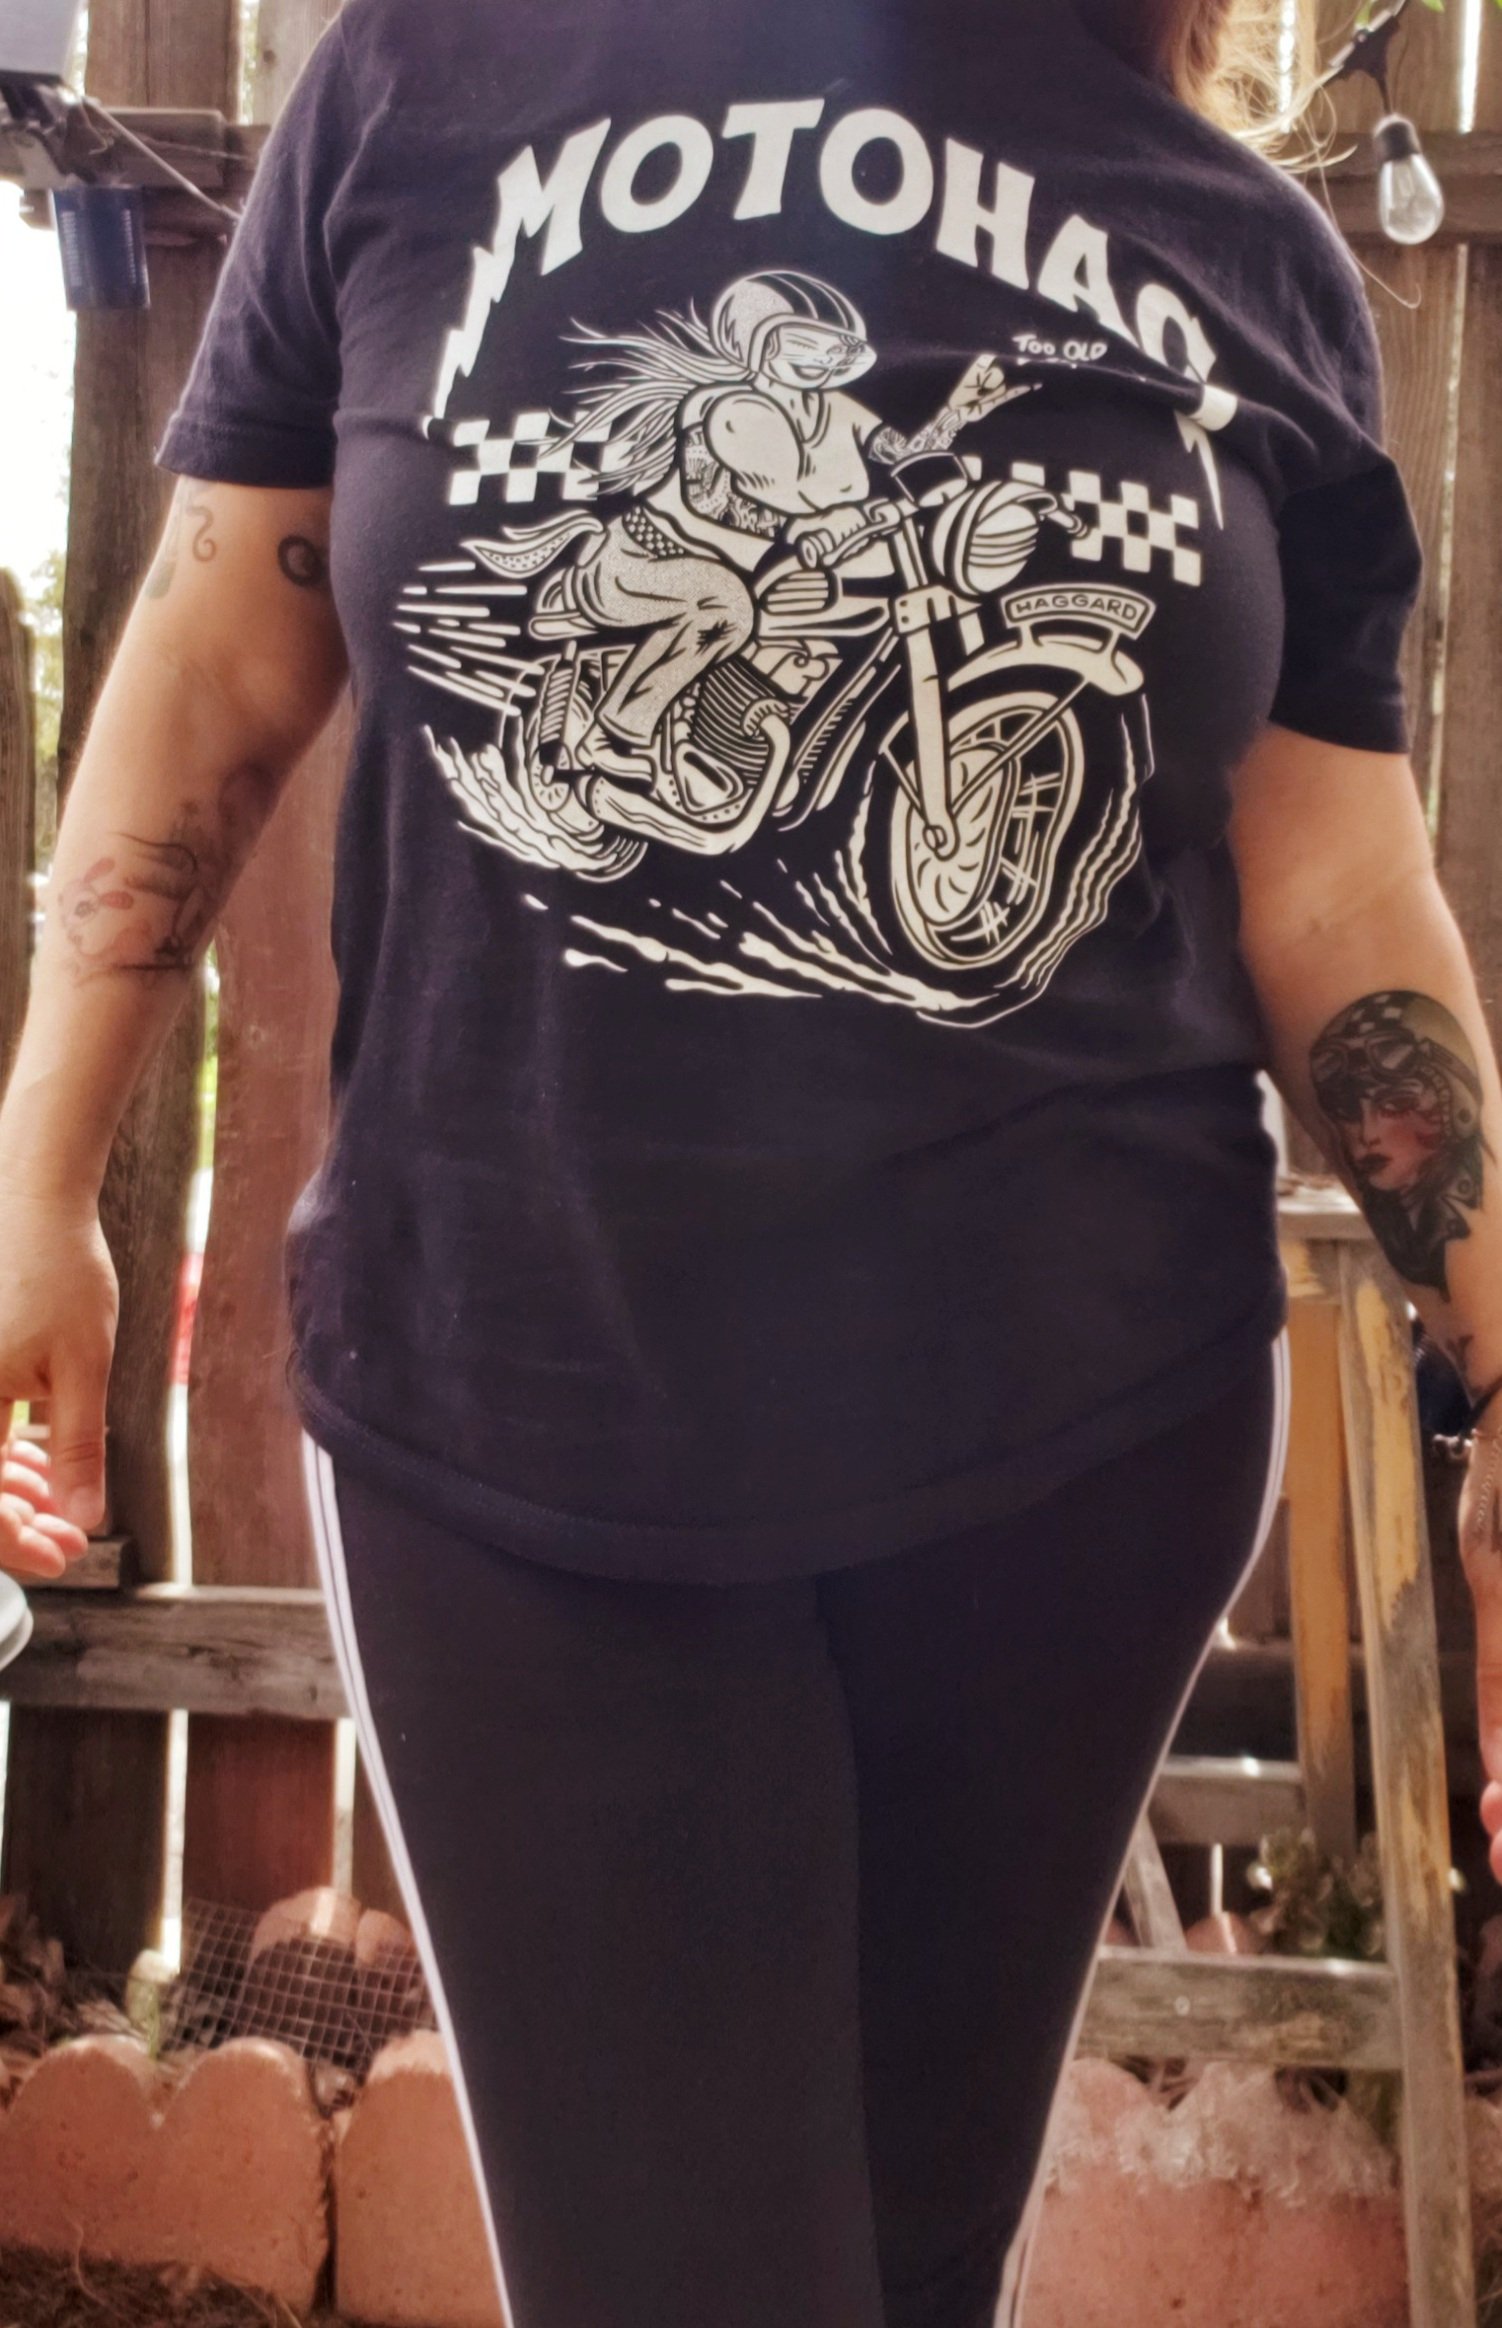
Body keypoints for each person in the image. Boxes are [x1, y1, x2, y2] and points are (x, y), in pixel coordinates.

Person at [4, 4, 1502, 2325]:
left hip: (1080, 1453)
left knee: (907, 2274)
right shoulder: (422, 83)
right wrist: (41, 1170)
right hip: (525, 1427)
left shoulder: (1245, 249)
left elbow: (1335, 882)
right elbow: (212, 663)